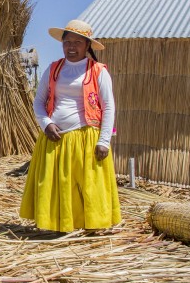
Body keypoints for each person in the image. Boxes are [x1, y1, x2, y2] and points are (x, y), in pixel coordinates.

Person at [20, 19, 120, 232]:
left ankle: (92, 225)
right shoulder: (54, 69)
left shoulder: (98, 72)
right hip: (55, 138)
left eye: (77, 43)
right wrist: (46, 123)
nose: (71, 47)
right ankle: (57, 224)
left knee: (88, 184)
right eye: (67, 42)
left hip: (86, 138)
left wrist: (104, 141)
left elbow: (108, 106)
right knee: (55, 184)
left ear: (87, 46)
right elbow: (38, 101)